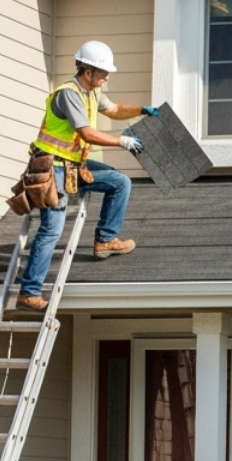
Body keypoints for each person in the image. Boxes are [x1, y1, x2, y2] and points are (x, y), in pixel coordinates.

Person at [15, 41, 156, 312]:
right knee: (52, 229)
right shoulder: (68, 94)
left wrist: (142, 110)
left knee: (120, 182)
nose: (107, 77)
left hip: (73, 165)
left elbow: (114, 110)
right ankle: (29, 292)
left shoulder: (92, 92)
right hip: (51, 169)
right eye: (103, 72)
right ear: (87, 71)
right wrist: (121, 142)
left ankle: (105, 240)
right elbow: (87, 134)